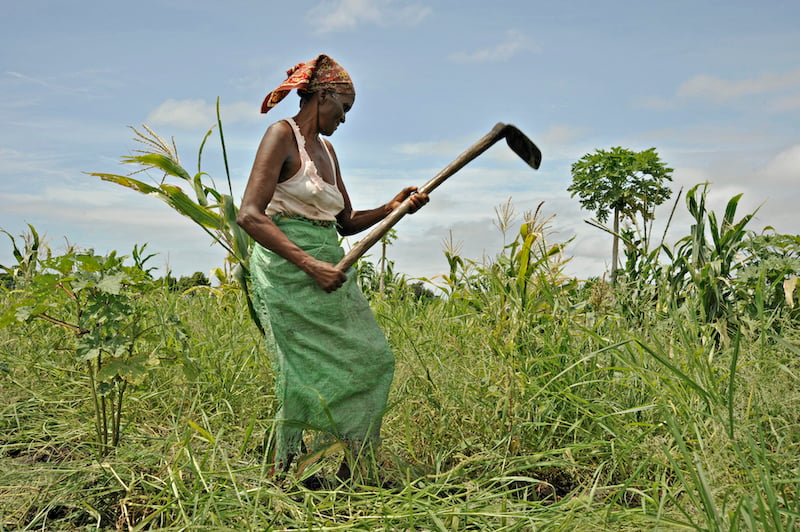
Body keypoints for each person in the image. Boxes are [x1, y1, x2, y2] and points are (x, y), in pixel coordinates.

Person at [237, 54, 428, 480]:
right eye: (343, 107)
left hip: (329, 264)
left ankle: (353, 467)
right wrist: (308, 264)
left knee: (373, 359)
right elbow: (250, 215)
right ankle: (282, 469)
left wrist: (393, 208)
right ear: (322, 95)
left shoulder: (327, 149)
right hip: (289, 268)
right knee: (299, 368)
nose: (344, 119)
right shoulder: (280, 135)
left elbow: (344, 222)